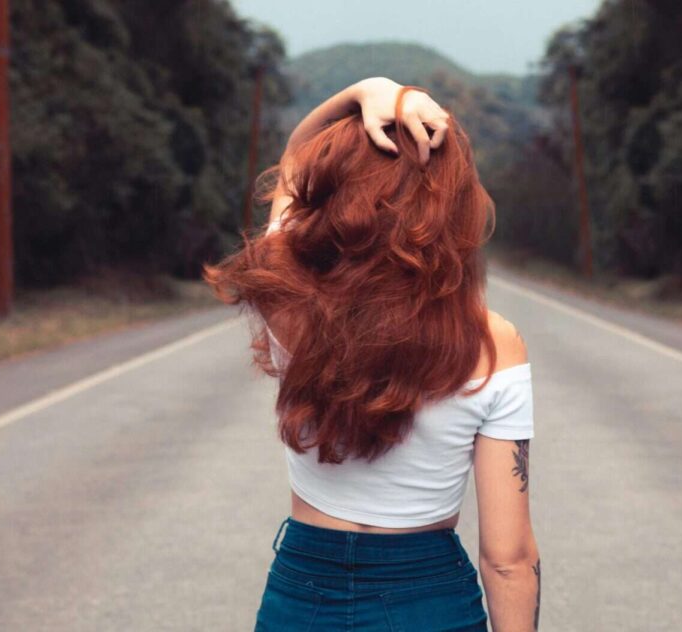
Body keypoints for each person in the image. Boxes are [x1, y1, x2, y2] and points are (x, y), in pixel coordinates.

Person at [204, 76, 540, 631]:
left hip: (301, 596)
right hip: (429, 600)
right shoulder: (491, 341)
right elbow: (509, 560)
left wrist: (366, 91)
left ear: (337, 195)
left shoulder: (288, 300)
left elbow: (293, 162)